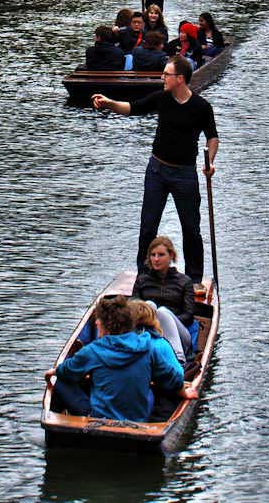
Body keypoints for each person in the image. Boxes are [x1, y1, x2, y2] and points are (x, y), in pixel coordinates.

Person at [92, 55, 219, 284]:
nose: (162, 78)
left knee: (191, 228)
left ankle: (194, 278)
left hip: (185, 174)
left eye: (166, 74)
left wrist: (209, 161)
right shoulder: (162, 98)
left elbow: (212, 137)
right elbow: (133, 108)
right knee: (148, 226)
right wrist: (109, 103)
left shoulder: (201, 107)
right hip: (157, 171)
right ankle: (144, 274)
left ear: (180, 78)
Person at [45, 295, 197, 421]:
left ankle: (61, 424)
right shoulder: (148, 346)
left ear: (104, 324)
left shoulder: (93, 350)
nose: (96, 323)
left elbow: (68, 370)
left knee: (61, 382)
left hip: (99, 419)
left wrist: (54, 372)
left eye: (98, 321)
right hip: (139, 419)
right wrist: (182, 391)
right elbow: (170, 377)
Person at [132, 237, 195, 365]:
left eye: (161, 255)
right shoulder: (142, 281)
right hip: (148, 331)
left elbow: (188, 316)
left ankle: (179, 358)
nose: (156, 259)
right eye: (153, 255)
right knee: (148, 306)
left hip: (179, 334)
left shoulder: (184, 281)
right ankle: (139, 352)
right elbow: (133, 310)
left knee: (162, 312)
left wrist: (163, 323)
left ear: (171, 255)